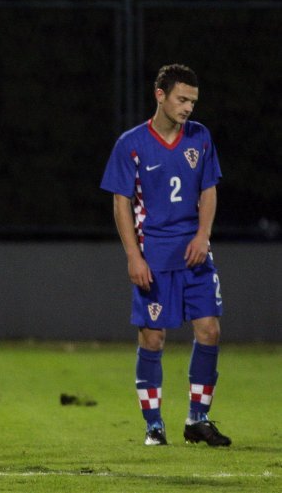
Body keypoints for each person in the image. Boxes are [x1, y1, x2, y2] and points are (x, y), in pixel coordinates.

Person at [101, 64, 231, 447]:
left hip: (194, 254)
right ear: (160, 95)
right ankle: (154, 426)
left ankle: (198, 419)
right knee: (153, 338)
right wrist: (133, 256)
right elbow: (121, 203)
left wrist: (203, 236)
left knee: (210, 329)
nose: (188, 107)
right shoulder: (131, 143)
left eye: (192, 101)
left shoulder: (200, 138)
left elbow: (209, 189)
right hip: (154, 258)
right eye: (182, 99)